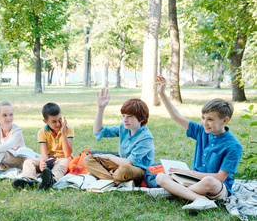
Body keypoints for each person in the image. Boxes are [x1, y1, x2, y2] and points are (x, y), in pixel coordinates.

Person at [155, 75, 242, 212]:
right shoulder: (202, 131)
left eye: (210, 120)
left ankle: (177, 192)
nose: (204, 123)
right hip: (194, 181)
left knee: (209, 181)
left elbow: (220, 177)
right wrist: (162, 94)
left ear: (225, 121)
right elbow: (176, 117)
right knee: (160, 177)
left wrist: (187, 172)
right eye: (203, 118)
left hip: (216, 186)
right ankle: (201, 200)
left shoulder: (233, 145)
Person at [82, 88, 155, 186]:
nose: (125, 120)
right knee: (88, 159)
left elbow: (129, 163)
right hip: (121, 164)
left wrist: (109, 156)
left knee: (124, 170)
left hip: (138, 170)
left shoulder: (146, 137)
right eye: (123, 115)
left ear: (141, 118)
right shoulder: (123, 127)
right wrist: (100, 108)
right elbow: (98, 132)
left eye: (130, 116)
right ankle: (113, 180)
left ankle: (107, 177)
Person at [12, 103, 73, 190]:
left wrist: (63, 133)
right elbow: (44, 154)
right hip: (50, 159)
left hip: (64, 158)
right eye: (54, 121)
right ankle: (28, 180)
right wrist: (42, 162)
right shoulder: (42, 132)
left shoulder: (68, 129)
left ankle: (51, 180)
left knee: (60, 166)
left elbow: (67, 154)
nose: (58, 124)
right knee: (28, 162)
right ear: (45, 121)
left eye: (60, 119)